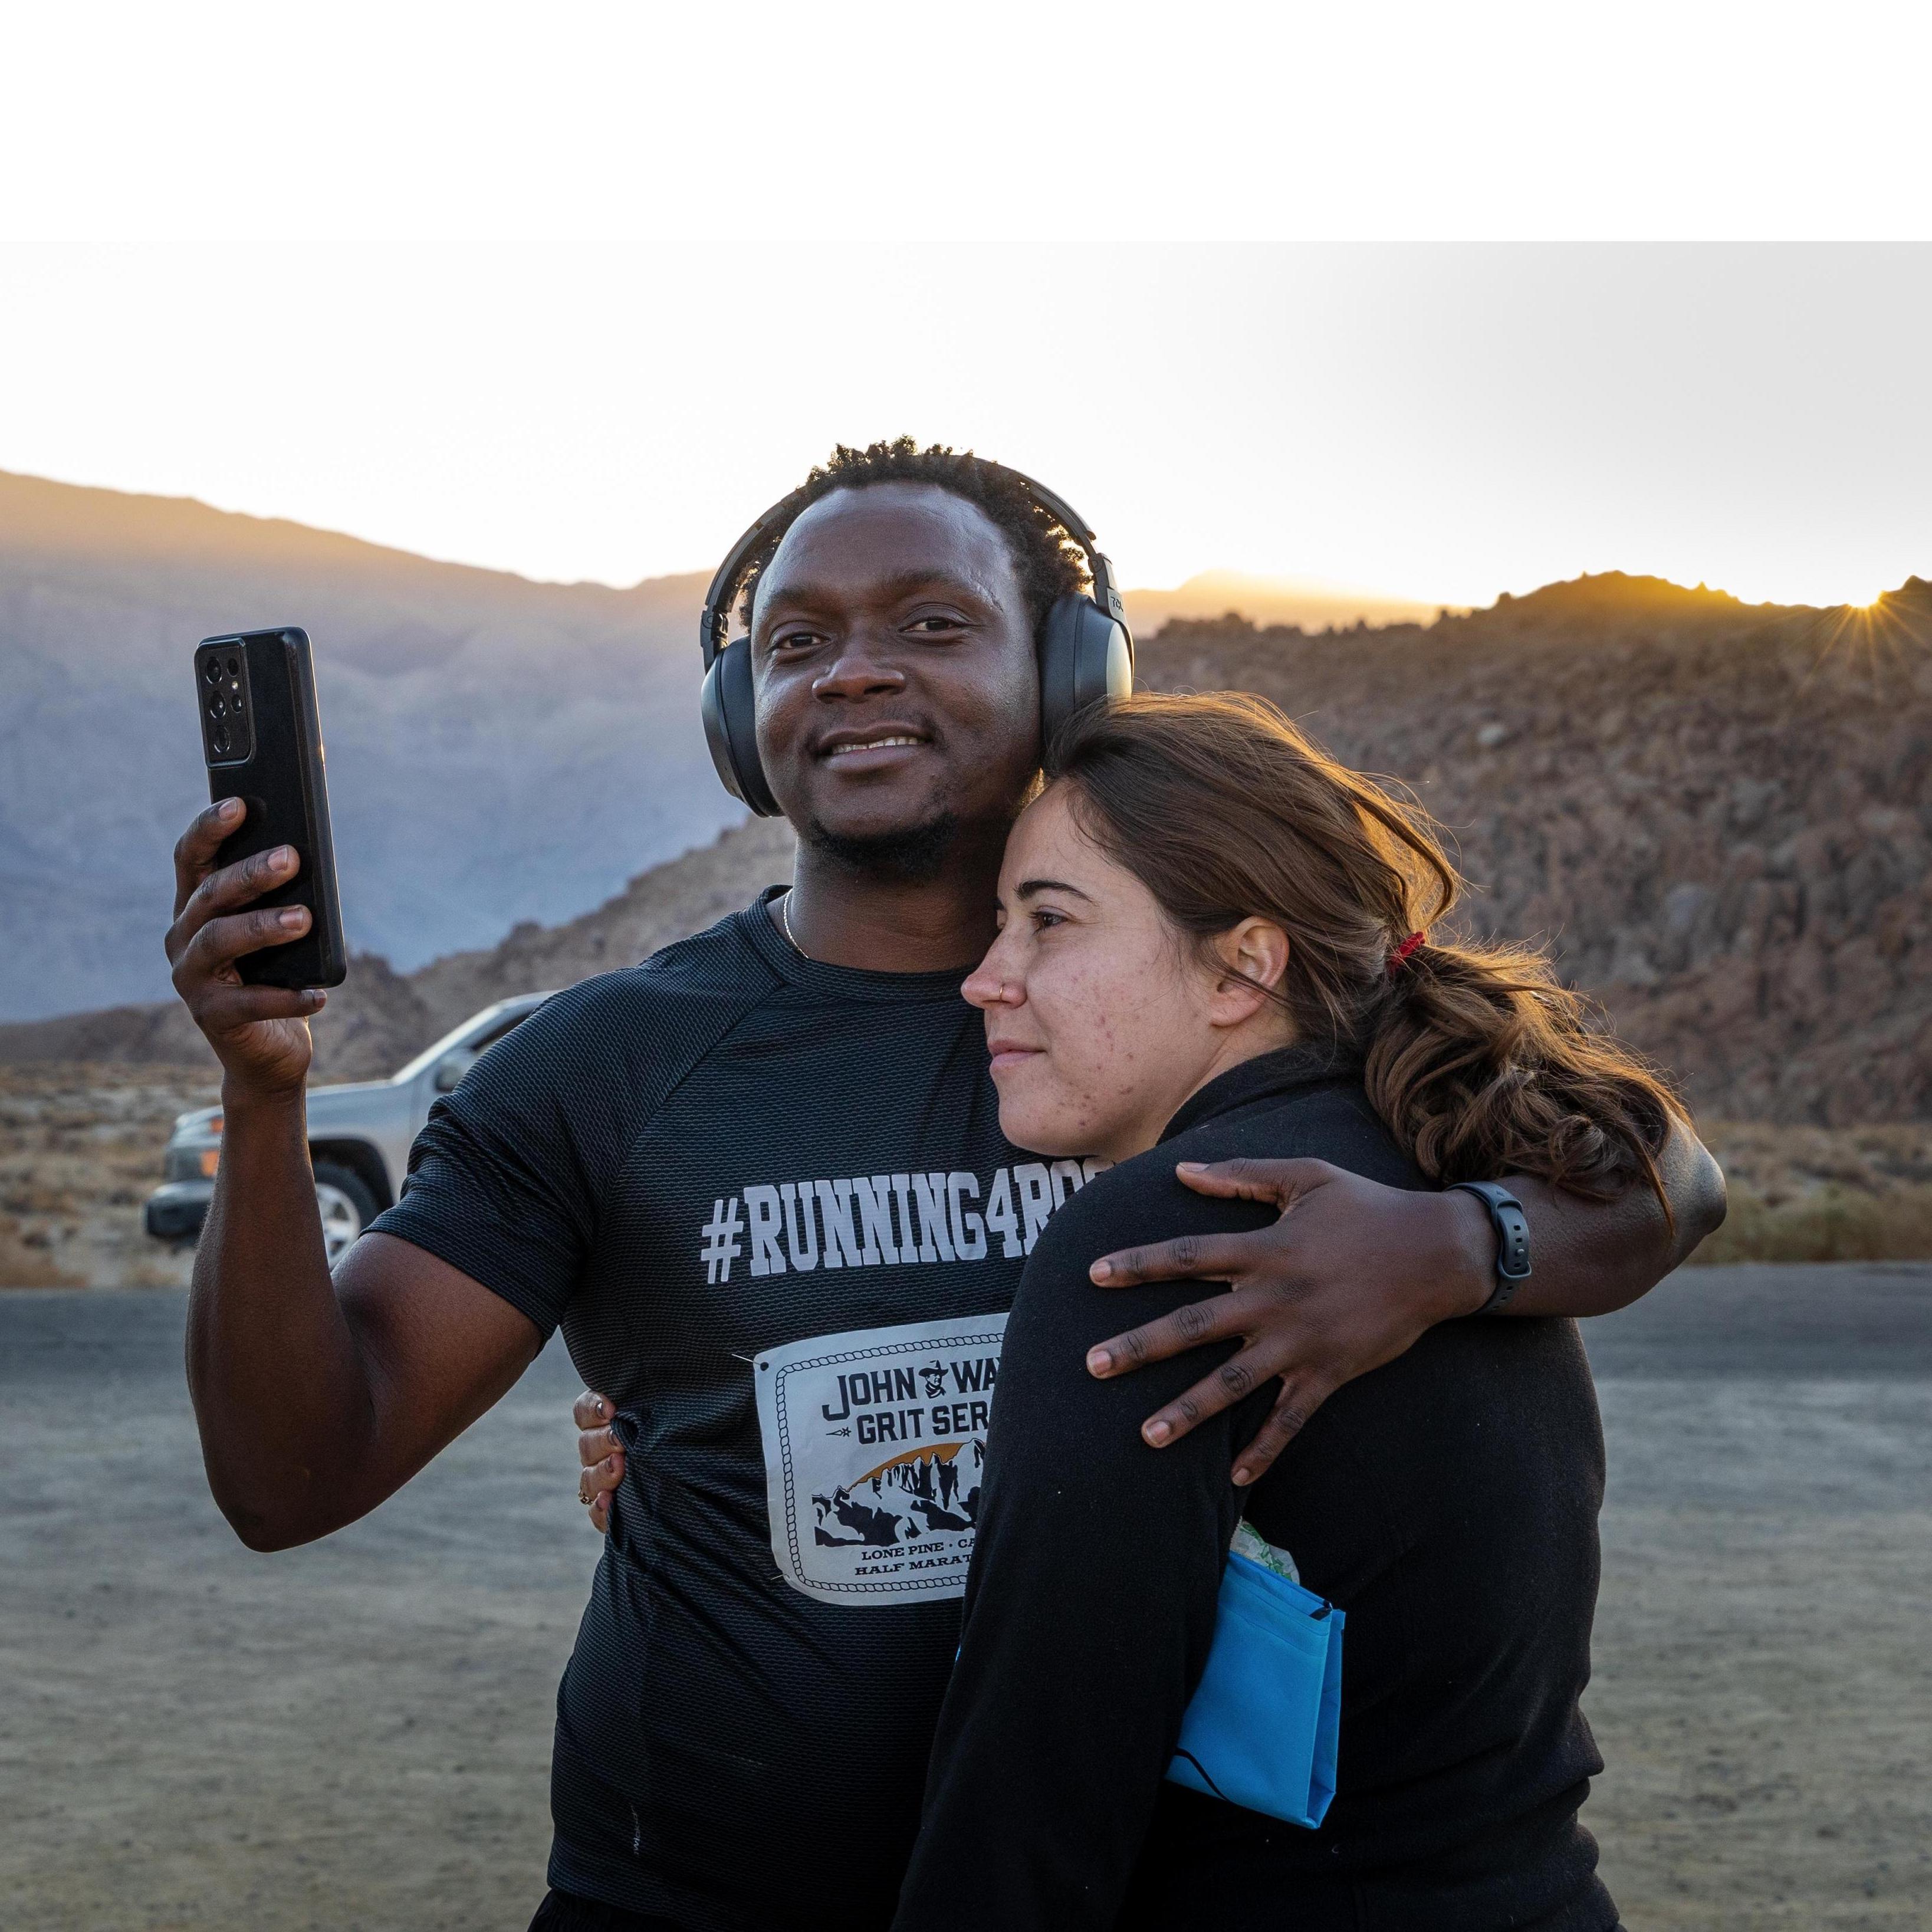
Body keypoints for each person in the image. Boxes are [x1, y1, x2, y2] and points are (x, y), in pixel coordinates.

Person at [166, 441, 1721, 1932]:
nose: (852, 668)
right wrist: (261, 1093)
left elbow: (1659, 1164)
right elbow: (293, 1473)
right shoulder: (600, 1066)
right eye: (794, 641)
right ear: (737, 710)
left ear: (1064, 673)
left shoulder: (1190, 1016)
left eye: (930, 621)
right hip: (690, 1900)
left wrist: (1460, 1241)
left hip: (1129, 1893)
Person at [888, 690, 1674, 1931]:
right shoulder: (1454, 1166)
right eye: (999, 928)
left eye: (1048, 923)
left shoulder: (1175, 1226)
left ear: (1242, 965)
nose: (988, 980)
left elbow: (1040, 1783)